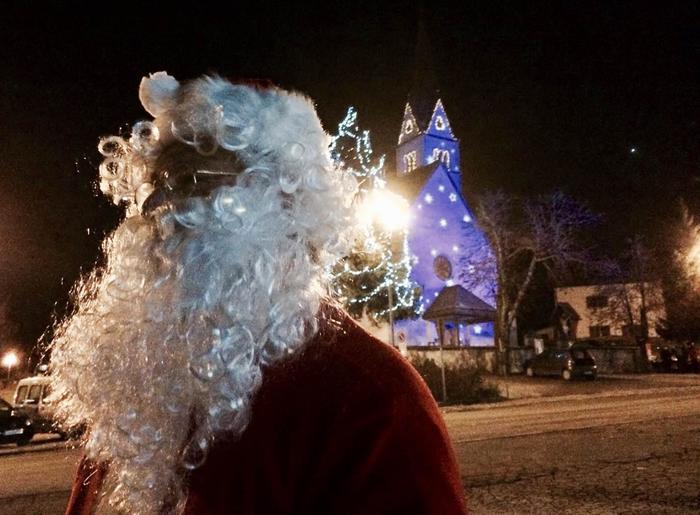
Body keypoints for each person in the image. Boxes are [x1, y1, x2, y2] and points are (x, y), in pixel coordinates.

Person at [49, 72, 468, 514]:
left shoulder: (372, 403)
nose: (161, 212)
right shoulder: (142, 394)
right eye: (155, 186)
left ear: (286, 202)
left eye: (192, 181)